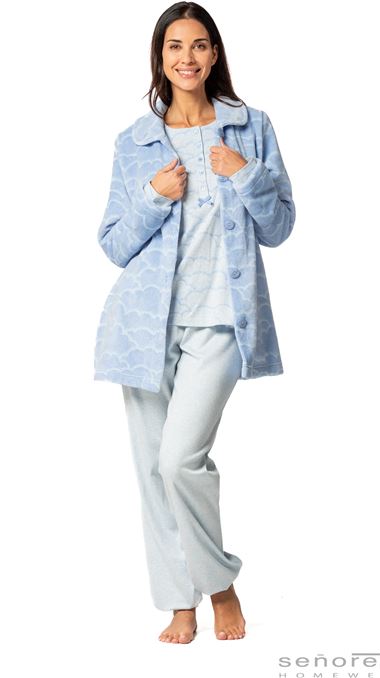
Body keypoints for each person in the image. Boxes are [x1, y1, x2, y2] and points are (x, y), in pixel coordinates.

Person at [93, 1, 295, 644]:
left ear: (214, 55)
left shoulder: (251, 129)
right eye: (175, 46)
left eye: (199, 45)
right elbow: (114, 244)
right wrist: (155, 195)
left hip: (221, 320)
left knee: (182, 460)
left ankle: (221, 585)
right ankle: (179, 603)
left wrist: (248, 176)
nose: (187, 57)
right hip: (143, 327)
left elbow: (280, 228)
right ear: (160, 57)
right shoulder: (135, 141)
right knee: (154, 471)